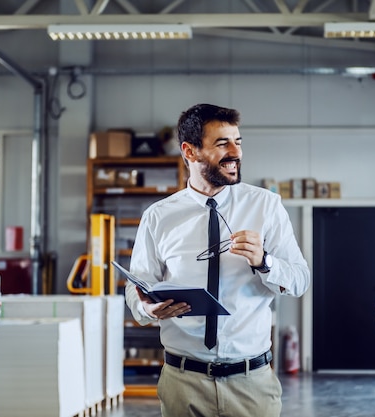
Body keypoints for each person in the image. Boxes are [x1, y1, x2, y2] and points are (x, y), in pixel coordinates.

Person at [125, 103, 310, 417]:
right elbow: (136, 288)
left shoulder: (266, 206)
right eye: (222, 143)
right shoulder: (158, 217)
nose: (235, 152)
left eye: (238, 142)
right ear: (190, 151)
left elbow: (300, 280)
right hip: (183, 383)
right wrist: (146, 308)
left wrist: (265, 261)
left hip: (251, 384)